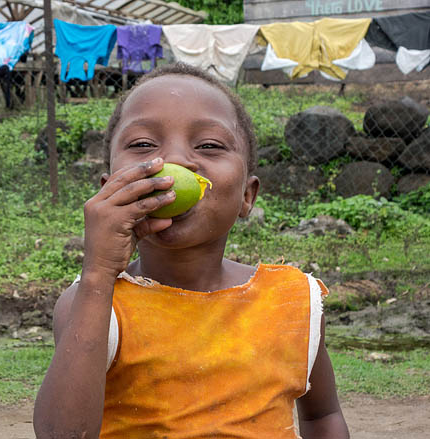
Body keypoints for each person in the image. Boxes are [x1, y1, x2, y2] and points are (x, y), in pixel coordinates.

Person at [33, 62, 349, 439]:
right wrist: (98, 274)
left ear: (247, 196)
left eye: (210, 145)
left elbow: (322, 417)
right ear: (108, 188)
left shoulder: (293, 302)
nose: (175, 161)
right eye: (143, 145)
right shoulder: (96, 304)